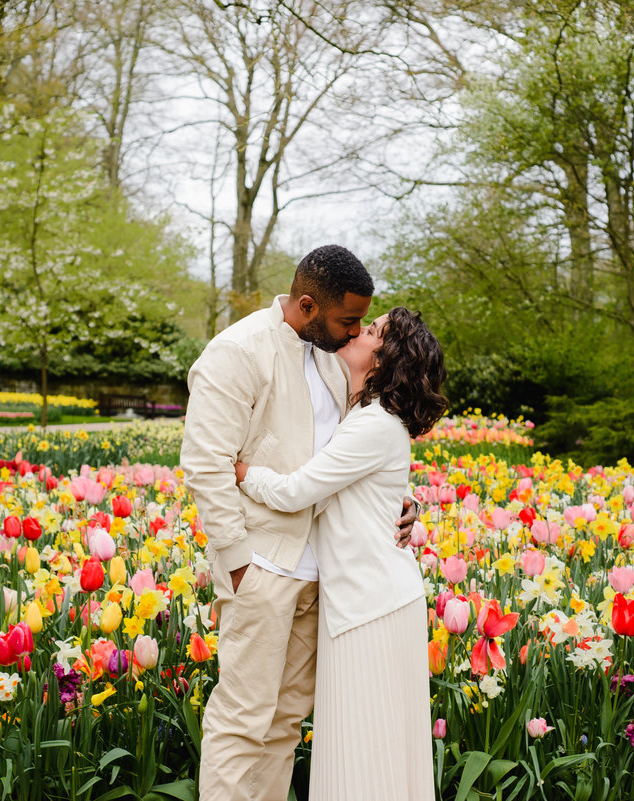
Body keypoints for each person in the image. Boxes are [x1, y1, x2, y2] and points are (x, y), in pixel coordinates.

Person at [180, 245, 419, 801]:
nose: (357, 332)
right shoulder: (238, 352)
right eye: (349, 321)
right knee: (243, 721)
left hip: (323, 574)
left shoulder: (332, 356)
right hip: (262, 566)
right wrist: (236, 559)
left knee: (286, 724)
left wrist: (400, 502)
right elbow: (206, 463)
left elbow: (351, 452)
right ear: (309, 305)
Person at [236, 307, 447, 800]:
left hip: (370, 607)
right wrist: (403, 496)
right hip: (365, 600)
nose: (359, 331)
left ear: (386, 360)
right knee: (369, 749)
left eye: (373, 331)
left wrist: (240, 471)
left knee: (366, 750)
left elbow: (295, 492)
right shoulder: (363, 416)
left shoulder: (372, 423)